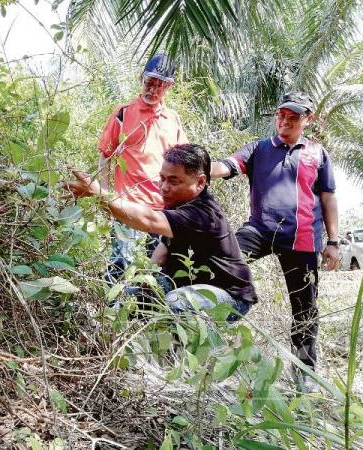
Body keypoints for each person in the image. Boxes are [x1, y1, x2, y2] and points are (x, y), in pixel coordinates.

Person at [210, 92, 339, 391]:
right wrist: (202, 168)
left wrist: (333, 241)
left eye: (293, 116)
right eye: (281, 114)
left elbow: (328, 197)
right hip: (259, 230)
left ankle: (304, 374)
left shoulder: (317, 154)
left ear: (308, 119)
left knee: (304, 309)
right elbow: (228, 165)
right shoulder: (259, 148)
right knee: (219, 264)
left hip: (302, 240)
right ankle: (202, 331)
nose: (285, 120)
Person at [66, 144, 258, 319]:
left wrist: (100, 194)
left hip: (231, 298)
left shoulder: (203, 215)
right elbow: (163, 250)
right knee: (133, 298)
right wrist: (144, 280)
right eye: (162, 179)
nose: (164, 188)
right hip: (190, 284)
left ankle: (170, 355)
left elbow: (147, 220)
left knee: (177, 304)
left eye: (174, 181)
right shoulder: (178, 203)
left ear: (200, 182)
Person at [98, 53, 187, 284]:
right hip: (128, 205)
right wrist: (106, 197)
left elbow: (184, 165)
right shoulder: (123, 112)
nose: (153, 90)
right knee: (121, 263)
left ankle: (143, 316)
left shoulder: (172, 119)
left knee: (156, 271)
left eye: (161, 85)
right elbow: (105, 155)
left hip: (161, 211)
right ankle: (108, 315)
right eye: (150, 83)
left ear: (169, 86)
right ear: (142, 79)